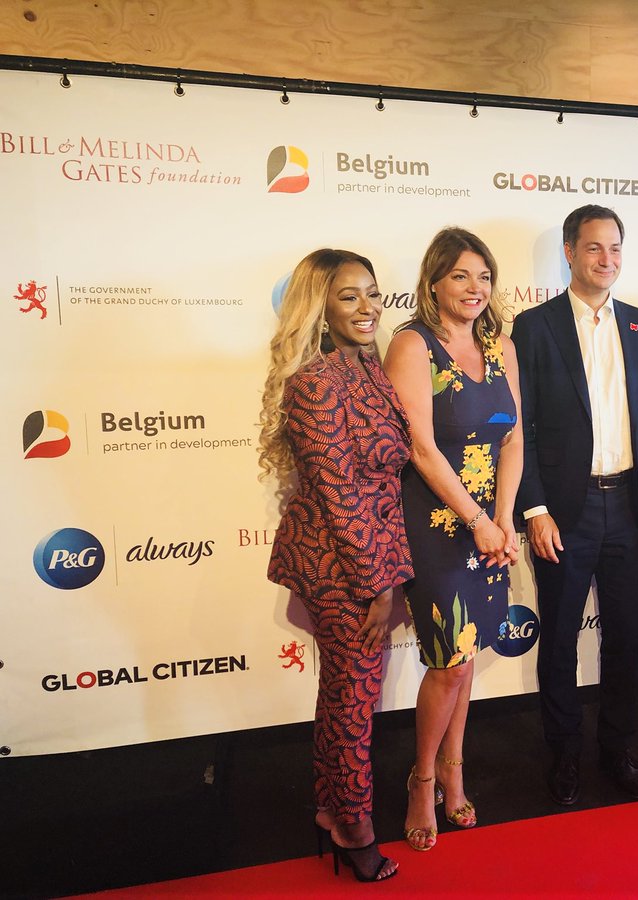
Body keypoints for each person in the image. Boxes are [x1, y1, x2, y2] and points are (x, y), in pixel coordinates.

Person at [512, 204, 638, 805]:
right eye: (593, 248)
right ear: (569, 252)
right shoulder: (534, 327)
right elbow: (521, 429)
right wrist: (534, 509)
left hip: (631, 507)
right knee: (558, 640)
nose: (606, 260)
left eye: (615, 248)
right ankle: (564, 755)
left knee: (626, 638)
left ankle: (617, 749)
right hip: (564, 512)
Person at [259, 248, 408, 883]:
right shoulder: (316, 383)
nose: (368, 307)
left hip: (369, 555)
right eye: (350, 296)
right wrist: (378, 587)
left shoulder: (368, 367)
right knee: (354, 702)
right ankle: (355, 829)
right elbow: (339, 494)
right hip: (340, 566)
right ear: (320, 307)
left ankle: (331, 808)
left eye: (373, 293)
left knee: (344, 694)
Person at [383, 227, 521, 851]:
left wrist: (505, 518)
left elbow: (513, 438)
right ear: (434, 282)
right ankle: (420, 779)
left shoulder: (500, 346)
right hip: (437, 525)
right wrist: (478, 521)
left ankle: (452, 770)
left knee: (466, 661)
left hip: (490, 526)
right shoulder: (413, 344)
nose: (475, 287)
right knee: (450, 661)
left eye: (483, 276)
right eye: (461, 275)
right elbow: (420, 448)